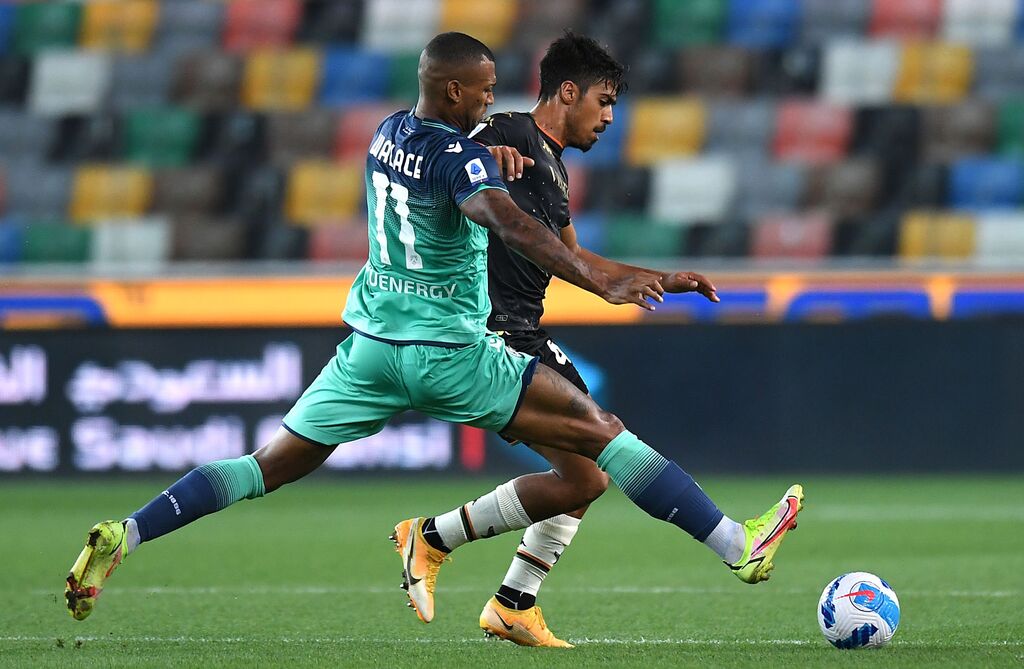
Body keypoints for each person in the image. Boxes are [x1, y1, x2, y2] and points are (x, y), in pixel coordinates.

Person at [65, 35, 803, 647]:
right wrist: (592, 273)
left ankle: (125, 533)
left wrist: (610, 255)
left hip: (368, 351)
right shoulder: (466, 158)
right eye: (481, 94)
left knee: (267, 465)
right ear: (454, 93)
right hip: (453, 353)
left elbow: (476, 168)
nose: (490, 105)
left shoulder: (388, 133)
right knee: (602, 436)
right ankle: (736, 547)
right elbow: (507, 221)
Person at [447, 32, 722, 647]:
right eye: (603, 101)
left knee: (586, 478)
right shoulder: (513, 134)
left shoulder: (552, 165)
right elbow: (453, 158)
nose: (609, 117)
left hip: (522, 330)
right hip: (496, 335)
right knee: (607, 442)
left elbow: (572, 256)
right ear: (567, 91)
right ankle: (734, 541)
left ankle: (511, 601)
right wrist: (485, 155)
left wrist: (656, 279)